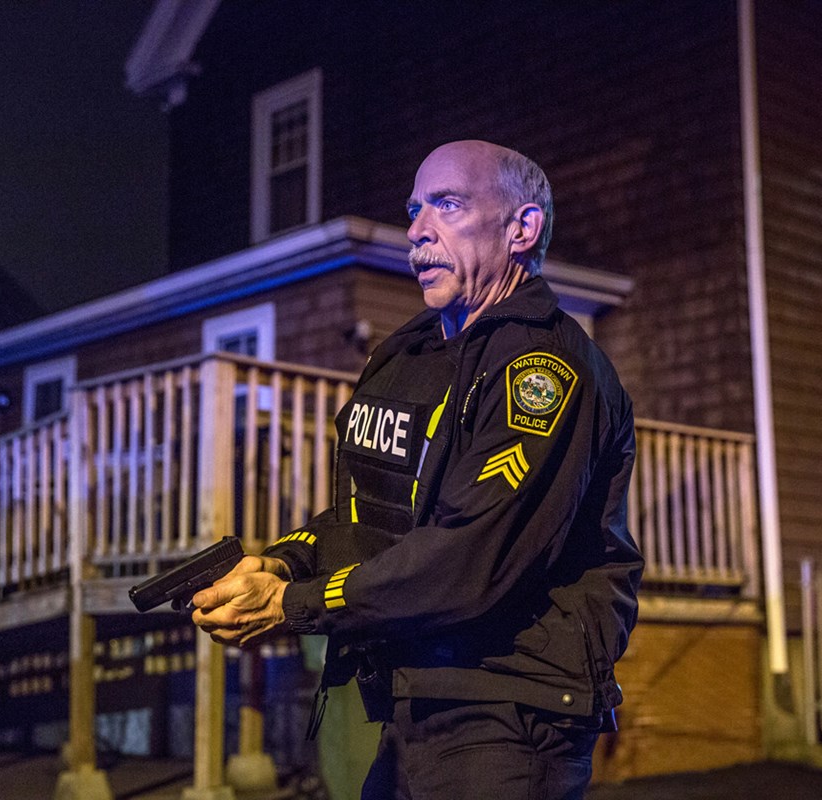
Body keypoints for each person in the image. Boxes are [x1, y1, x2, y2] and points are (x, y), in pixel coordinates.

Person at [191, 139, 644, 800]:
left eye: (447, 205)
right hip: (416, 696)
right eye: (414, 210)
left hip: (508, 713)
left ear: (521, 229)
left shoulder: (545, 371)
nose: (417, 230)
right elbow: (374, 517)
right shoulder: (412, 356)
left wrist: (293, 605)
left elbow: (467, 554)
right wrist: (284, 563)